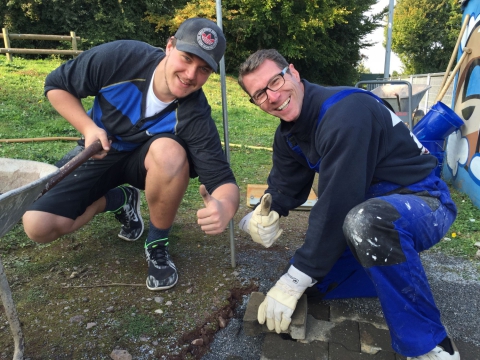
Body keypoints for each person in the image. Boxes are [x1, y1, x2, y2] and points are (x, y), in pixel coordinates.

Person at [237, 49, 459, 360]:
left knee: (363, 226)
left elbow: (338, 202)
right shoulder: (289, 134)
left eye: (275, 81)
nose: (272, 97)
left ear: (293, 73)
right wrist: (265, 212)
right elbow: (285, 187)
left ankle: (431, 345)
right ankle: (387, 274)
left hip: (421, 201)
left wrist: (295, 278)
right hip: (366, 208)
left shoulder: (346, 112)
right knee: (315, 284)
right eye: (259, 94)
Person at [22, 18, 239, 292]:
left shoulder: (194, 112)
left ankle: (157, 242)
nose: (190, 74)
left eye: (203, 69)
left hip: (146, 164)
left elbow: (222, 180)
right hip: (101, 153)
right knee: (37, 225)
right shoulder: (122, 57)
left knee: (169, 152)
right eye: (186, 58)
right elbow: (56, 85)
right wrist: (89, 128)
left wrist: (226, 207)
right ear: (169, 46)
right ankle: (120, 199)